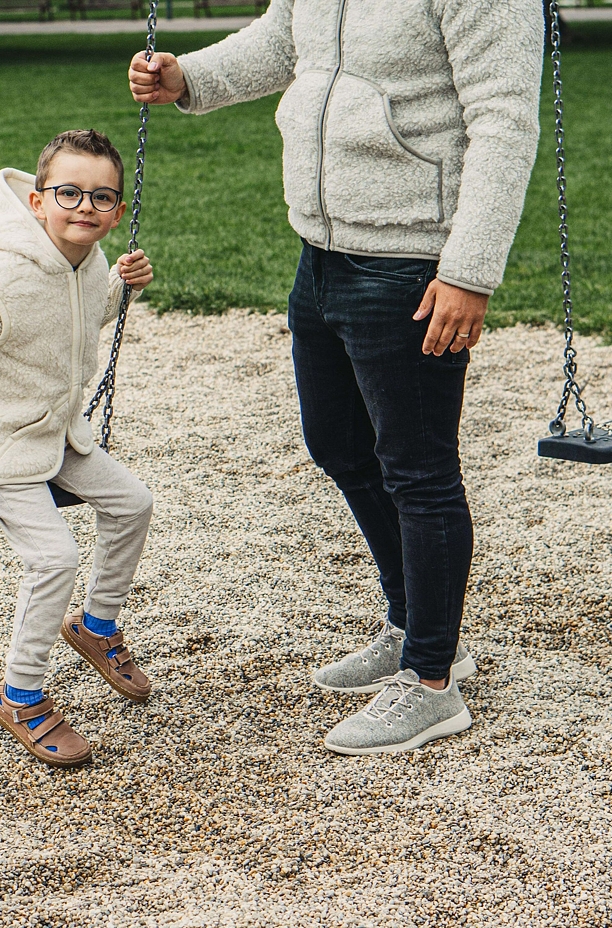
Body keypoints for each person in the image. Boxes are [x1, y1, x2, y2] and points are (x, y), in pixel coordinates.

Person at [129, 0, 543, 754]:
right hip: (319, 249)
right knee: (338, 445)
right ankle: (416, 625)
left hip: (411, 262)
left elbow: (504, 120)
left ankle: (430, 681)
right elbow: (281, 40)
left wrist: (470, 272)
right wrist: (189, 78)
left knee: (418, 471)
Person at [0, 129, 155, 768]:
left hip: (51, 431)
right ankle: (21, 695)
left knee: (132, 503)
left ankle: (95, 627)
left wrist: (125, 290)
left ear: (117, 210)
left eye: (101, 197)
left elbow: (79, 319)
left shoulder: (88, 261)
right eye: (68, 192)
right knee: (55, 558)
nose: (85, 207)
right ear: (38, 201)